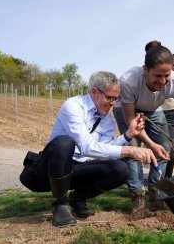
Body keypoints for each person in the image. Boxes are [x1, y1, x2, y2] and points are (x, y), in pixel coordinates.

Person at [20, 71, 157, 227]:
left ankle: (77, 199)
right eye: (109, 97)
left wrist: (127, 135)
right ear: (94, 92)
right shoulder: (73, 106)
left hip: (76, 170)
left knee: (120, 169)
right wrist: (130, 150)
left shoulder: (107, 122)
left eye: (116, 99)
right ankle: (61, 205)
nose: (113, 103)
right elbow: (86, 147)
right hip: (49, 172)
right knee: (65, 143)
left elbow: (102, 151)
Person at [113, 41, 174, 212]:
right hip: (128, 109)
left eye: (166, 75)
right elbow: (131, 119)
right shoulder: (129, 80)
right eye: (158, 76)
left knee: (165, 149)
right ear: (145, 69)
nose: (163, 81)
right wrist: (150, 145)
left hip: (153, 109)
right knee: (133, 150)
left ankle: (155, 193)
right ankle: (137, 195)